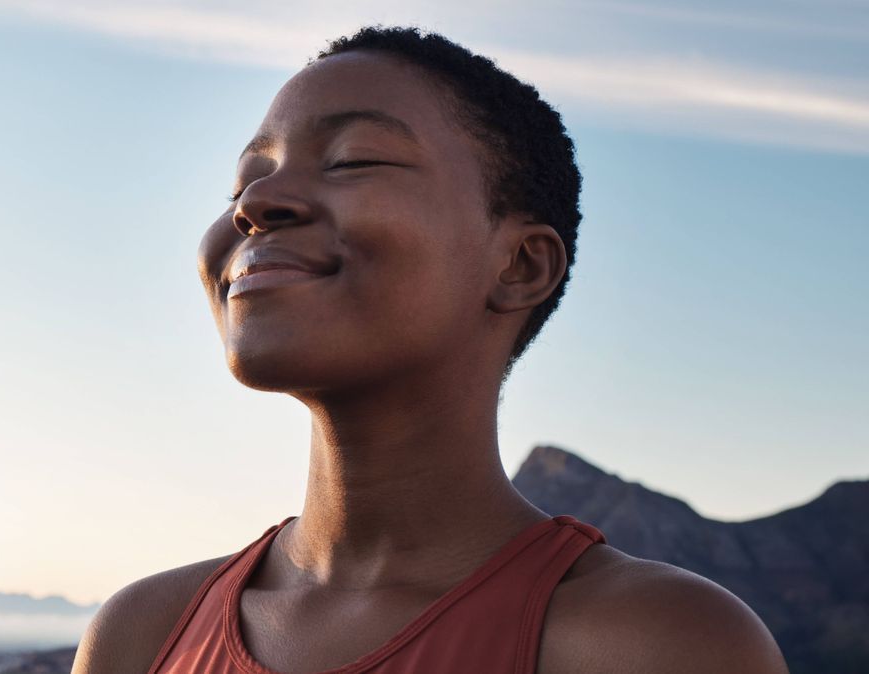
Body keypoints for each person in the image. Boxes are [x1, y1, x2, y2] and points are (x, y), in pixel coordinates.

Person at [72, 25, 789, 674]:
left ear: (519, 266)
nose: (254, 204)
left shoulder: (657, 644)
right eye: (246, 179)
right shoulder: (139, 635)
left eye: (351, 160)